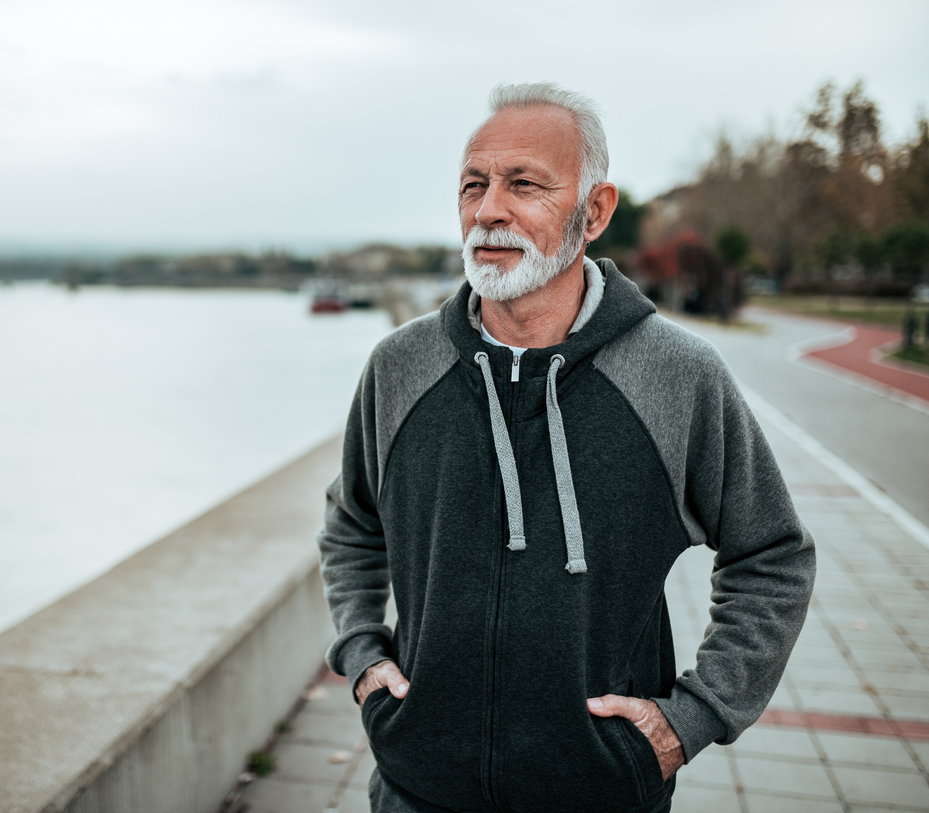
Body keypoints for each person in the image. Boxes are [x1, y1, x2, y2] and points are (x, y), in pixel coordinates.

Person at [317, 82, 816, 813]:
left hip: (602, 794)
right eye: (473, 185)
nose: (489, 210)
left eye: (524, 184)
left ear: (596, 211)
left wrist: (694, 716)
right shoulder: (400, 367)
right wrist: (363, 654)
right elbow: (352, 522)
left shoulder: (678, 376)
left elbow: (772, 553)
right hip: (415, 789)